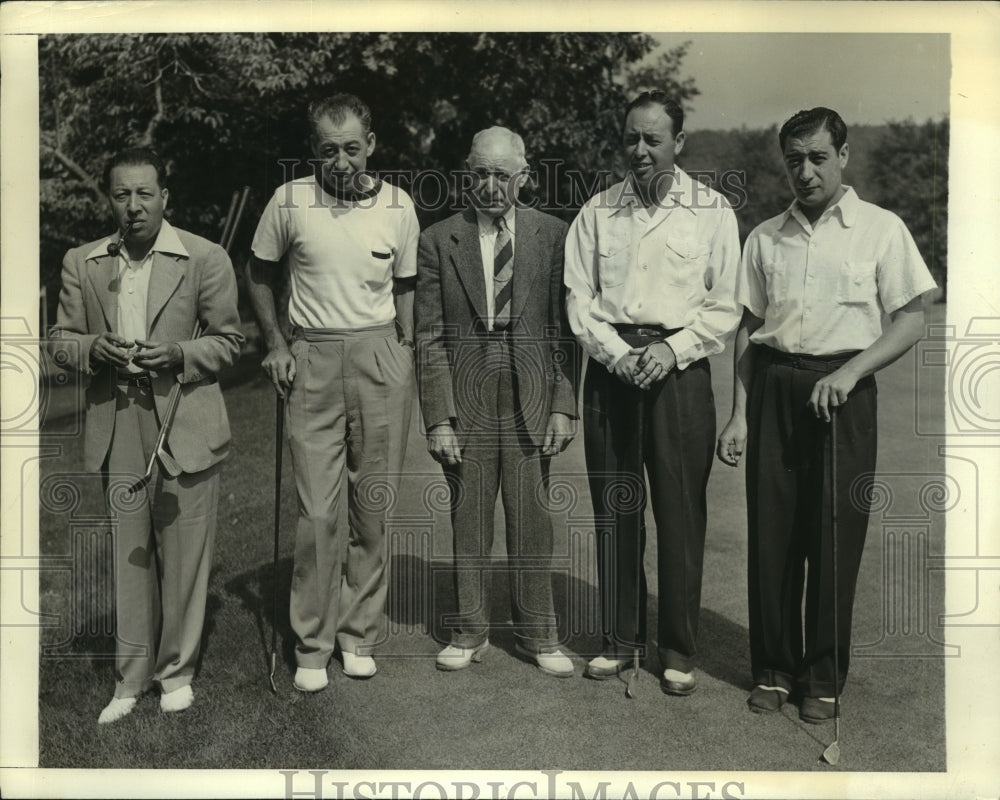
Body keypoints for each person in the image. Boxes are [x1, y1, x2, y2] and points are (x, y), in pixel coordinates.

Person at [716, 107, 937, 722]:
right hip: (776, 391)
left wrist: (849, 372)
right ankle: (774, 670)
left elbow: (913, 319)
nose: (805, 172)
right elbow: (750, 327)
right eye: (794, 160)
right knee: (773, 538)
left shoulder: (882, 228)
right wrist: (739, 415)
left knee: (834, 539)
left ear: (844, 154)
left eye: (817, 157)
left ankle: (822, 678)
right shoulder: (765, 236)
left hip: (845, 393)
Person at [49, 147, 244, 723]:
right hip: (118, 419)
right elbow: (59, 338)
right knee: (130, 554)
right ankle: (129, 679)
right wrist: (90, 348)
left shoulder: (203, 257)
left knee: (183, 553)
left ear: (165, 198)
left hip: (185, 413)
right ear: (109, 198)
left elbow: (229, 341)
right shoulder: (83, 261)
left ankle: (176, 672)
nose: (133, 207)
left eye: (144, 194)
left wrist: (179, 352)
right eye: (121, 194)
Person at [563, 91, 741, 694]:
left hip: (681, 376)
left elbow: (725, 308)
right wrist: (617, 354)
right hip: (612, 376)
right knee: (616, 512)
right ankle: (618, 641)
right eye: (631, 139)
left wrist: (669, 351)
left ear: (679, 143)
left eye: (653, 140)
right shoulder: (596, 213)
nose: (640, 151)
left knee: (681, 515)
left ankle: (678, 651)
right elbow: (577, 302)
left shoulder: (713, 211)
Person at [246, 93, 418, 690]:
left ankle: (358, 634)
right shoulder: (289, 200)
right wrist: (274, 342)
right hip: (312, 355)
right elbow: (260, 271)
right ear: (313, 152)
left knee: (372, 506)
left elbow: (406, 286)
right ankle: (313, 645)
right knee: (318, 512)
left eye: (351, 148)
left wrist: (406, 349)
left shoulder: (398, 204)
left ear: (370, 144)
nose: (341, 161)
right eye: (328, 151)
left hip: (378, 355)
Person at [415, 126, 579, 677]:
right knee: (469, 515)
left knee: (532, 518)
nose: (490, 185)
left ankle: (540, 634)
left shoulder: (553, 234)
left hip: (531, 395)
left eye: (502, 175)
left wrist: (563, 403)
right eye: (480, 173)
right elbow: (430, 337)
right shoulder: (439, 239)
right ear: (467, 173)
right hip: (467, 401)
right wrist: (438, 417)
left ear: (524, 177)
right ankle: (468, 631)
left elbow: (564, 330)